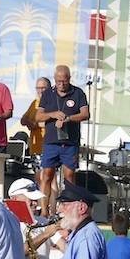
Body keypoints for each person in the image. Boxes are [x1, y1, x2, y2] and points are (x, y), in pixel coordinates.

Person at [37, 65, 90, 214]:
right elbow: (38, 116)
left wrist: (69, 118)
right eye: (59, 81)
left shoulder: (78, 93)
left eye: (64, 81)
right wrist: (52, 114)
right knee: (47, 175)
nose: (61, 84)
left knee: (69, 175)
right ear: (55, 79)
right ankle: (44, 211)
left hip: (69, 142)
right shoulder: (48, 94)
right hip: (51, 142)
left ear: (69, 79)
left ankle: (70, 208)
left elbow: (85, 114)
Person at [20, 77, 51, 213]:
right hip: (35, 147)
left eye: (43, 88)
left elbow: (49, 123)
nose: (40, 91)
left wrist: (36, 124)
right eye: (38, 88)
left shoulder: (51, 103)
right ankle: (38, 205)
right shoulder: (35, 103)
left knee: (48, 178)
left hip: (48, 146)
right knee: (38, 178)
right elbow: (23, 119)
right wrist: (28, 122)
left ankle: (47, 208)